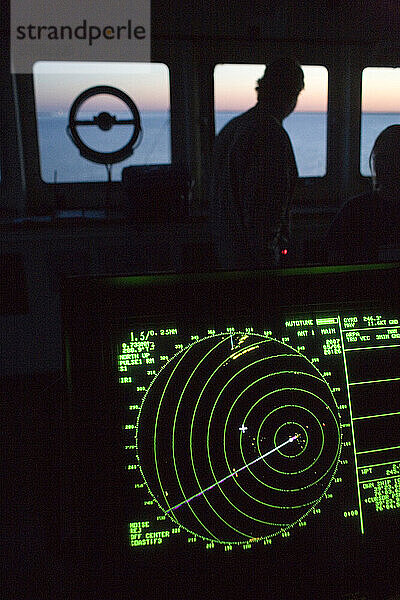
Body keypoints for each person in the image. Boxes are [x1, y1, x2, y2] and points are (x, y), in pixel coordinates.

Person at [210, 57, 304, 270]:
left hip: (227, 256)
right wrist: (269, 265)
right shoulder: (271, 135)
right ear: (292, 94)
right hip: (253, 264)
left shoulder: (232, 128)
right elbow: (265, 216)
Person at [324, 124, 400, 264]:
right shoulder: (354, 211)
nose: (386, 165)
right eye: (383, 158)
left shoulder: (355, 210)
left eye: (391, 158)